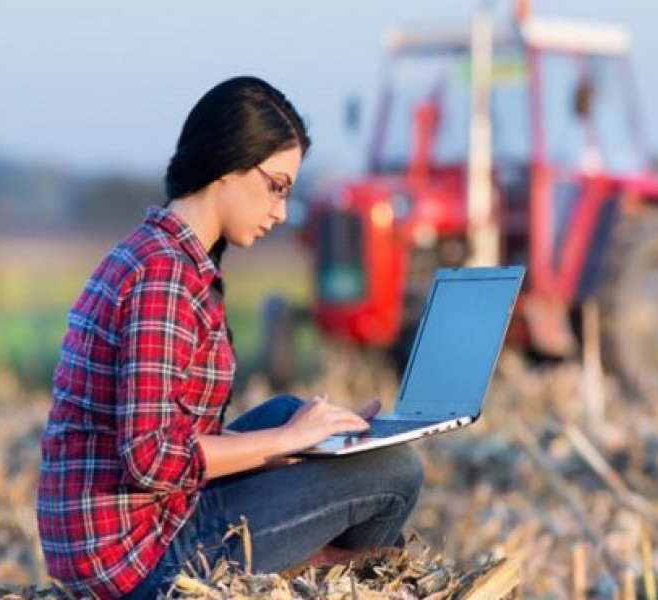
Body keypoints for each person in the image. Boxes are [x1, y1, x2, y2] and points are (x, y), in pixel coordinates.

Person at [37, 76, 424, 600]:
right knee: (395, 469)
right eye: (277, 186)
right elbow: (149, 457)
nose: (283, 211)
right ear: (230, 164)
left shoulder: (162, 255)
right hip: (138, 561)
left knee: (294, 413)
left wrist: (304, 438)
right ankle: (339, 577)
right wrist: (286, 444)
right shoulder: (164, 275)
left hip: (139, 528)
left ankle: (328, 568)